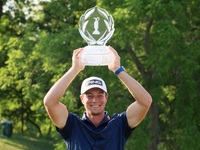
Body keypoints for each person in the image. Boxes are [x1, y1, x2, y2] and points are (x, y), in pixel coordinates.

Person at [43, 46, 152, 150]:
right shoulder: (71, 125)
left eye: (100, 95)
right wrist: (75, 69)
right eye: (89, 96)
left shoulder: (119, 124)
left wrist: (118, 70)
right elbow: (50, 102)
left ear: (106, 97)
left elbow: (145, 101)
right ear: (82, 99)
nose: (95, 100)